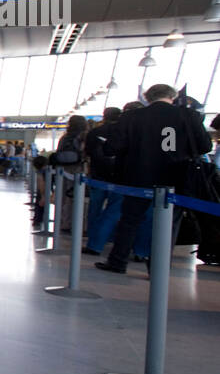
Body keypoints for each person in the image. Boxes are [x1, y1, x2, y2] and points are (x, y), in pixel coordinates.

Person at [95, 85, 212, 274]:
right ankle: (158, 269)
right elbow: (204, 146)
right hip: (176, 179)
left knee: (130, 221)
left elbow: (112, 148)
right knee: (168, 226)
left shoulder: (131, 117)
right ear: (172, 97)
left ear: (147, 98)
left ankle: (117, 262)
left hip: (138, 178)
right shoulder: (188, 116)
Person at [83, 106, 122, 255]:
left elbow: (87, 153)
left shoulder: (94, 132)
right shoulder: (123, 131)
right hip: (118, 178)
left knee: (95, 209)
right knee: (113, 210)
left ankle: (94, 241)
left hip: (98, 176)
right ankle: (108, 238)